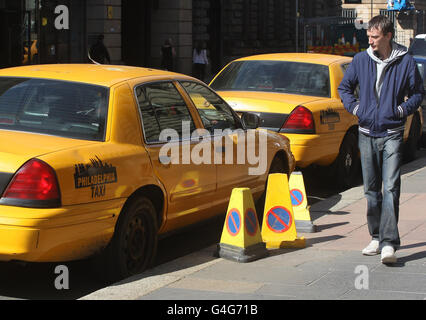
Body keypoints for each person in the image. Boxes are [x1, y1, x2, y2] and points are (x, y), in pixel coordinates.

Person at [338, 15, 424, 264]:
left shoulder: (405, 62)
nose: (370, 41)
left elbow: (417, 93)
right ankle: (375, 237)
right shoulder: (361, 60)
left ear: (388, 36)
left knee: (390, 188)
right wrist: (356, 110)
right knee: (371, 191)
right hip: (365, 133)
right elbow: (344, 89)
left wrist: (399, 111)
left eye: (375, 37)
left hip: (393, 134)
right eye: (369, 37)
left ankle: (389, 243)